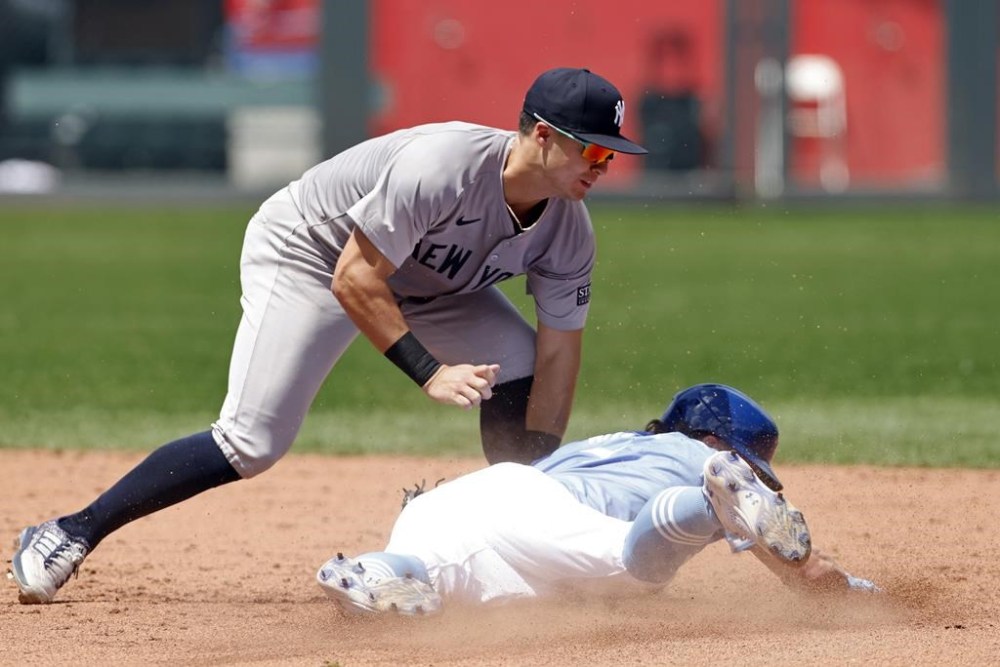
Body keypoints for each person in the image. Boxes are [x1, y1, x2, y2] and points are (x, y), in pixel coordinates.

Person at [9, 67, 648, 605]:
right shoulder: (440, 168)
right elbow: (356, 278)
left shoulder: (570, 229)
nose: (605, 163)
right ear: (542, 136)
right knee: (252, 441)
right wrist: (429, 371)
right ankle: (69, 530)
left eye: (610, 153)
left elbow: (559, 354)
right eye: (592, 149)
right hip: (314, 255)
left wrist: (534, 484)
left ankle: (528, 548)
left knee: (516, 360)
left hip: (421, 281)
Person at [315, 384, 881, 615]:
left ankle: (371, 570)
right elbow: (806, 577)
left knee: (426, 569)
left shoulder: (615, 444)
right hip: (548, 515)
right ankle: (709, 506)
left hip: (461, 499)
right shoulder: (692, 459)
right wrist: (855, 592)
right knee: (634, 569)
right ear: (714, 443)